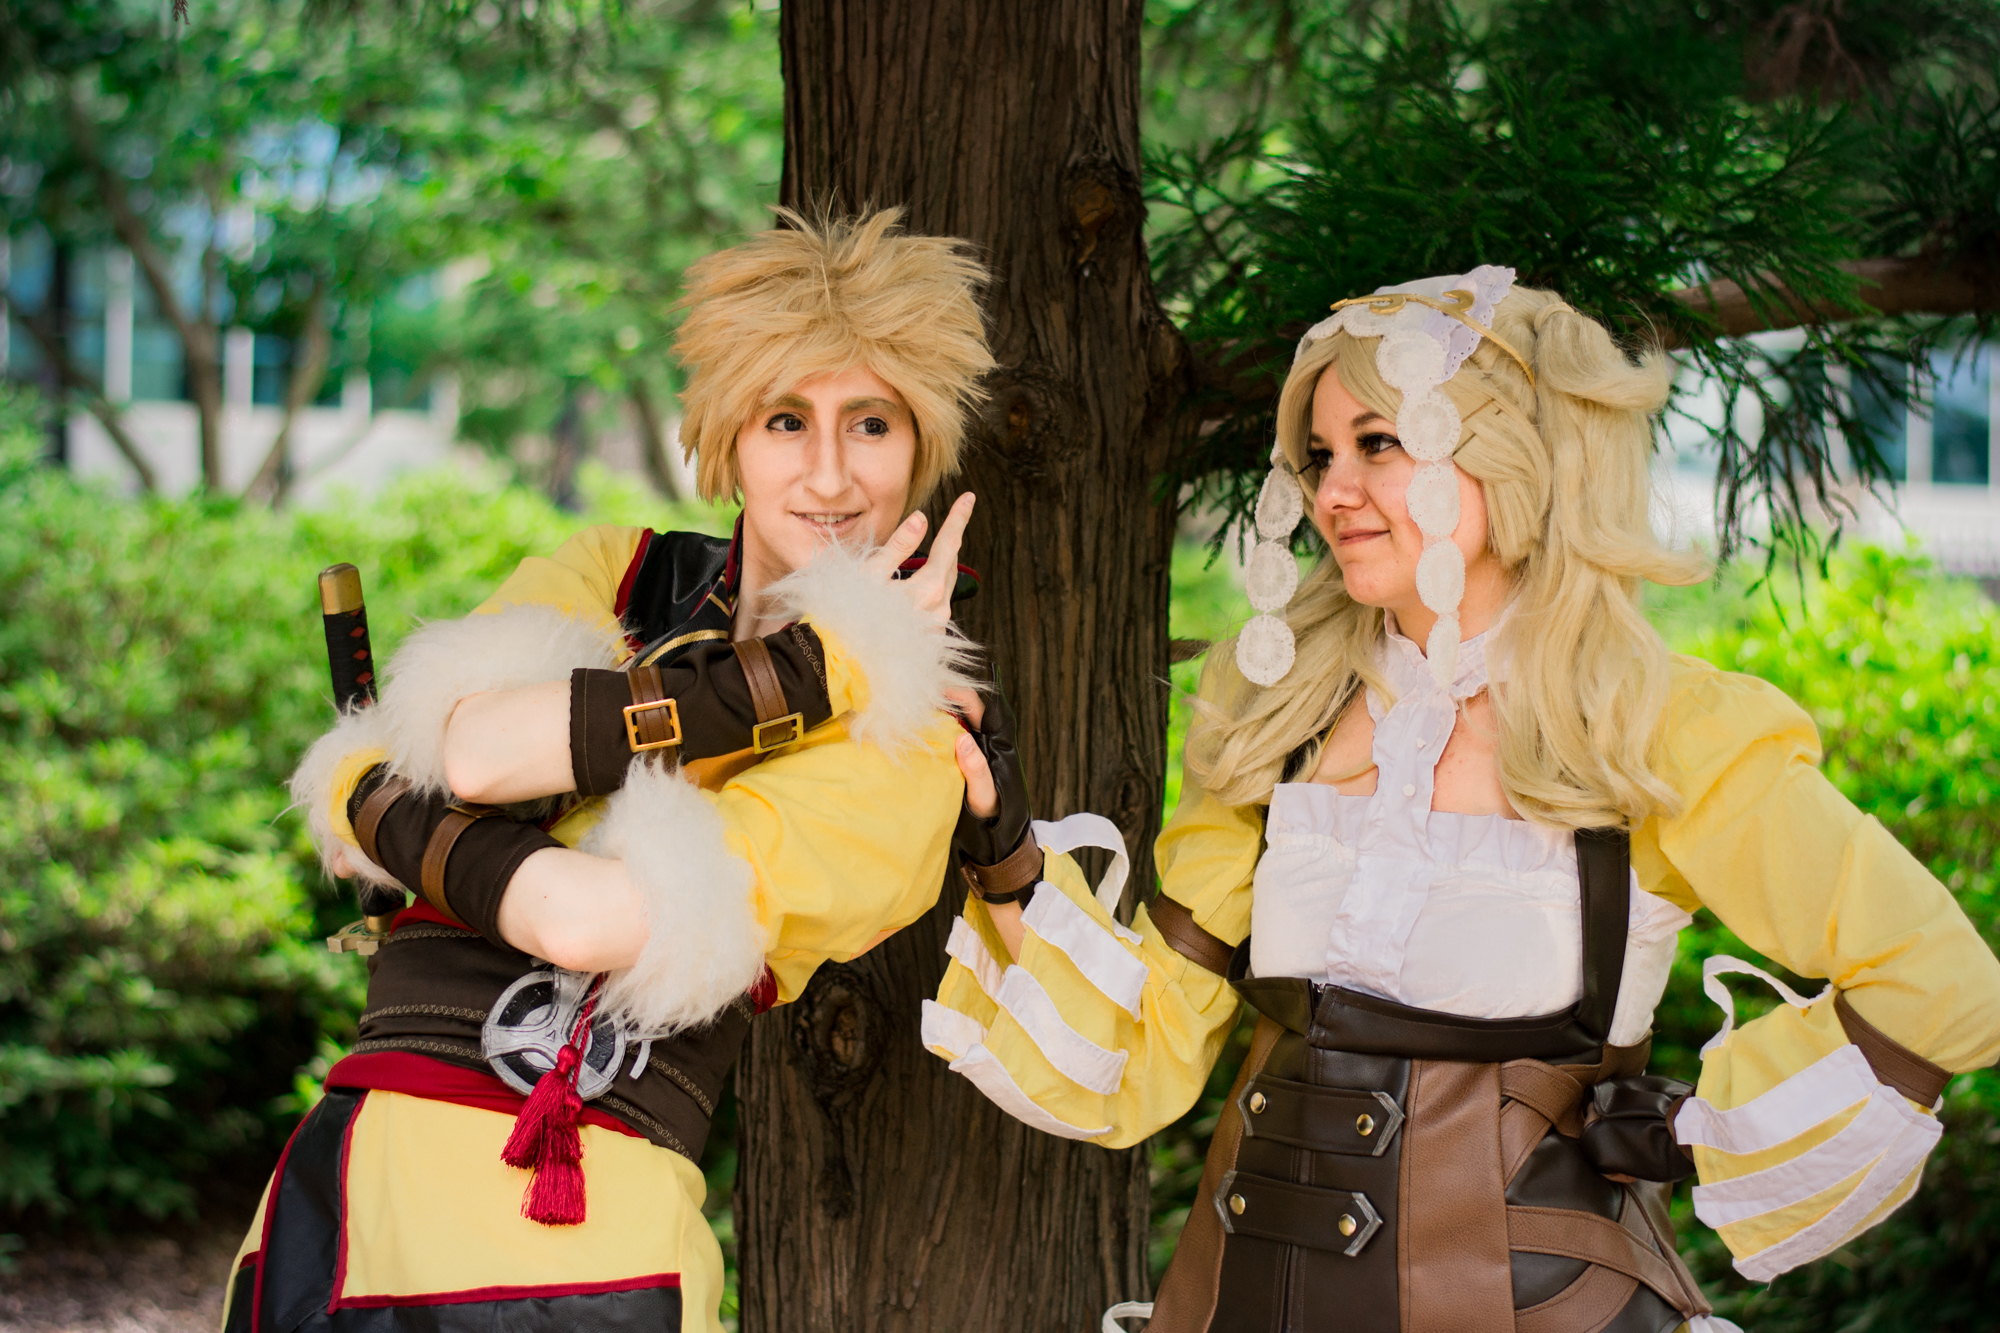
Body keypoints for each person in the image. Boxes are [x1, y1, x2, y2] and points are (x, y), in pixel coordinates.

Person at [928, 267, 2000, 1333]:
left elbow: (1938, 984)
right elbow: (1146, 1051)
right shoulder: (1278, 715)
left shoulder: (1656, 731)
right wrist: (1005, 852)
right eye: (1320, 455)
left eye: (1379, 443)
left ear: (1507, 453)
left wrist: (1698, 1127)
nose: (1333, 491)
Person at [221, 208, 996, 1333]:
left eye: (870, 423)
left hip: (577, 1244)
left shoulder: (909, 745)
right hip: (352, 1199)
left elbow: (581, 916)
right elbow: (469, 749)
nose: (829, 472)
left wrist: (384, 803)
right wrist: (798, 673)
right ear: (731, 437)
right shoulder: (618, 572)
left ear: (920, 448)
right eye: (786, 419)